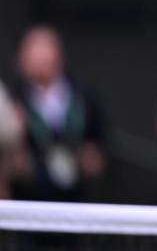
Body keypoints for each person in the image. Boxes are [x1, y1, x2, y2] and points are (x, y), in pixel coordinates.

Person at [11, 25, 107, 202]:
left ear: (59, 56)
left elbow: (101, 140)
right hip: (31, 198)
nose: (40, 59)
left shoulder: (83, 96)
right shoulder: (13, 100)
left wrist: (94, 156)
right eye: (33, 53)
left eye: (45, 51)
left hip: (80, 196)